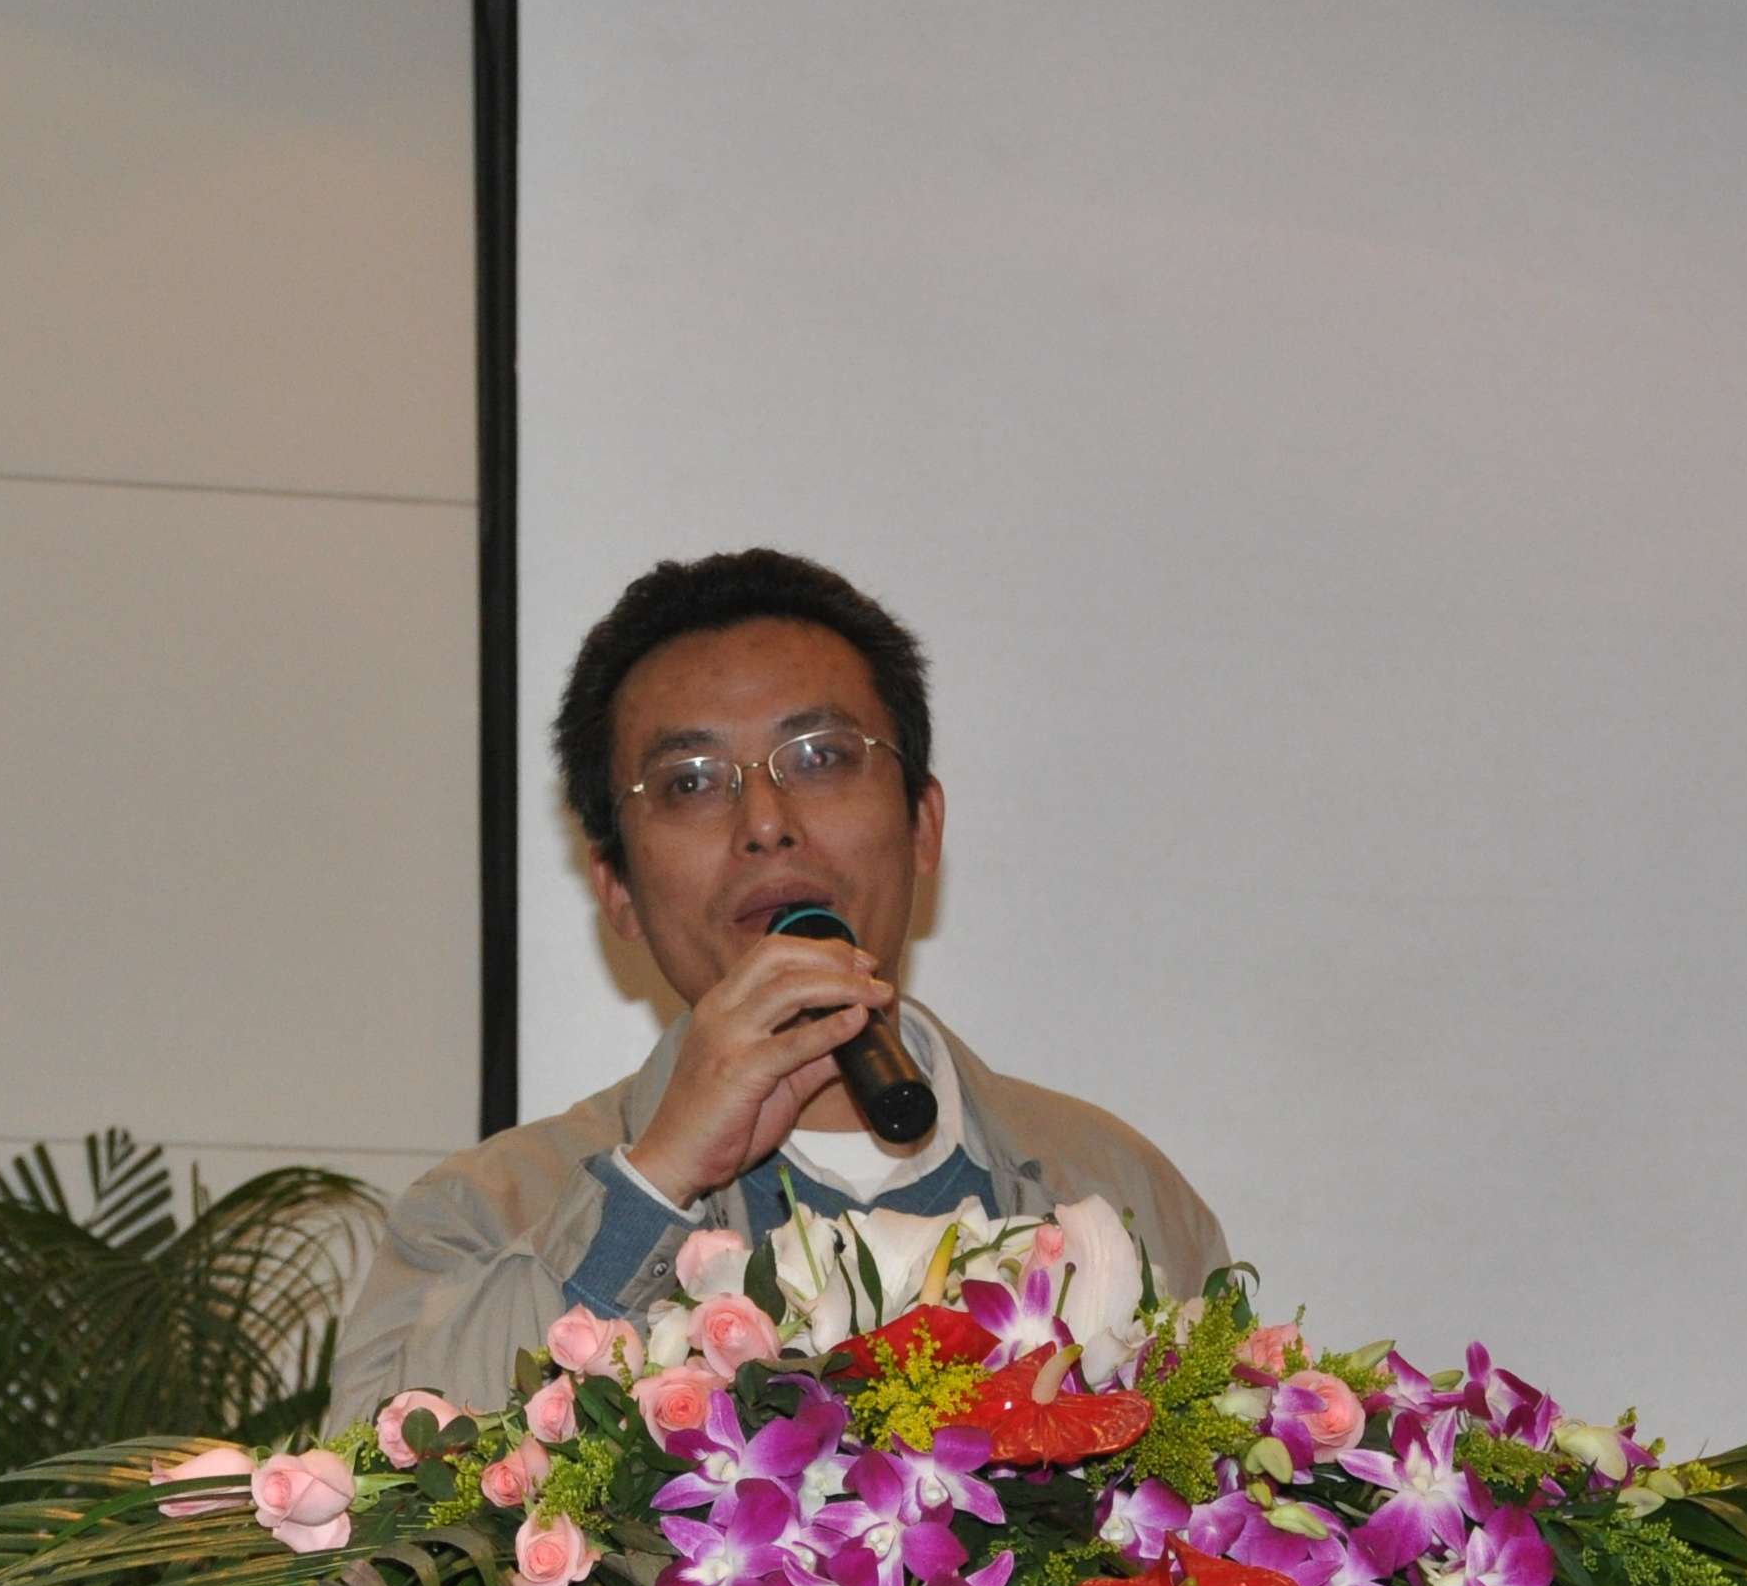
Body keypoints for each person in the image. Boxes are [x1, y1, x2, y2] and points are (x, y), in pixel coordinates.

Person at [330, 548, 1230, 1422]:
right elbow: (374, 1488)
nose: (765, 823)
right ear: (618, 889)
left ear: (923, 824)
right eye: (690, 782)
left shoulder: (1117, 1189)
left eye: (821, 757)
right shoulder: (488, 1209)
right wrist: (659, 1180)